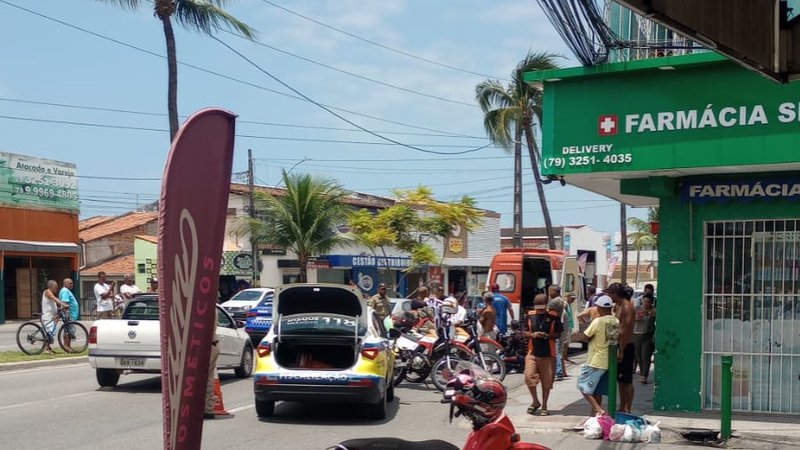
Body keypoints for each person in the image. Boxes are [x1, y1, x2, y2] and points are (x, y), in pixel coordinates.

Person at [572, 295, 619, 417]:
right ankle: (594, 417)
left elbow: (585, 336)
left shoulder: (597, 321)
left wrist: (575, 337)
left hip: (595, 360)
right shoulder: (615, 320)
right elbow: (612, 340)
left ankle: (599, 410)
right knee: (597, 390)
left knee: (583, 387)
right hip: (608, 360)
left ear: (599, 308)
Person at [523, 294, 562, 416]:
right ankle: (535, 401)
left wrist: (547, 336)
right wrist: (533, 335)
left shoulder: (553, 317)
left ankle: (544, 405)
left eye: (542, 307)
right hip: (532, 352)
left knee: (547, 382)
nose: (539, 310)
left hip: (548, 354)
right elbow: (524, 332)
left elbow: (558, 334)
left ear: (546, 306)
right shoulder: (530, 316)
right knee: (529, 377)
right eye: (537, 307)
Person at [606, 282, 636, 413]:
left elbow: (625, 330)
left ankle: (628, 407)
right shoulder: (618, 306)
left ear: (615, 293)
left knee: (627, 379)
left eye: (610, 294)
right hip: (618, 344)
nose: (609, 297)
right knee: (620, 379)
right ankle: (622, 405)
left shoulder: (627, 307)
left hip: (626, 345)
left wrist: (622, 351)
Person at [633, 294, 656, 384]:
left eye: (648, 302)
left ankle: (644, 376)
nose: (646, 304)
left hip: (647, 335)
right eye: (645, 301)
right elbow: (631, 318)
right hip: (636, 334)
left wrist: (649, 313)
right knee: (638, 356)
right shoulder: (637, 308)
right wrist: (637, 317)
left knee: (645, 356)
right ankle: (642, 372)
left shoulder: (653, 310)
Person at [42, 280, 67, 354]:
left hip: (52, 316)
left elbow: (52, 304)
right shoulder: (47, 292)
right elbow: (54, 299)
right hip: (48, 316)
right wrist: (63, 304)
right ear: (51, 286)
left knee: (51, 333)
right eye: (56, 286)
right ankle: (47, 349)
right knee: (49, 333)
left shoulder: (51, 293)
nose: (57, 287)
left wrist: (59, 308)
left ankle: (48, 348)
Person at [59, 278, 79, 352]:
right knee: (69, 331)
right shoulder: (65, 291)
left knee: (68, 331)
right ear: (65, 284)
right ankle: (66, 346)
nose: (71, 285)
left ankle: (67, 346)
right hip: (69, 315)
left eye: (72, 283)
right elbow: (65, 303)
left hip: (71, 315)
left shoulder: (66, 291)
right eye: (69, 283)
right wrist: (67, 314)